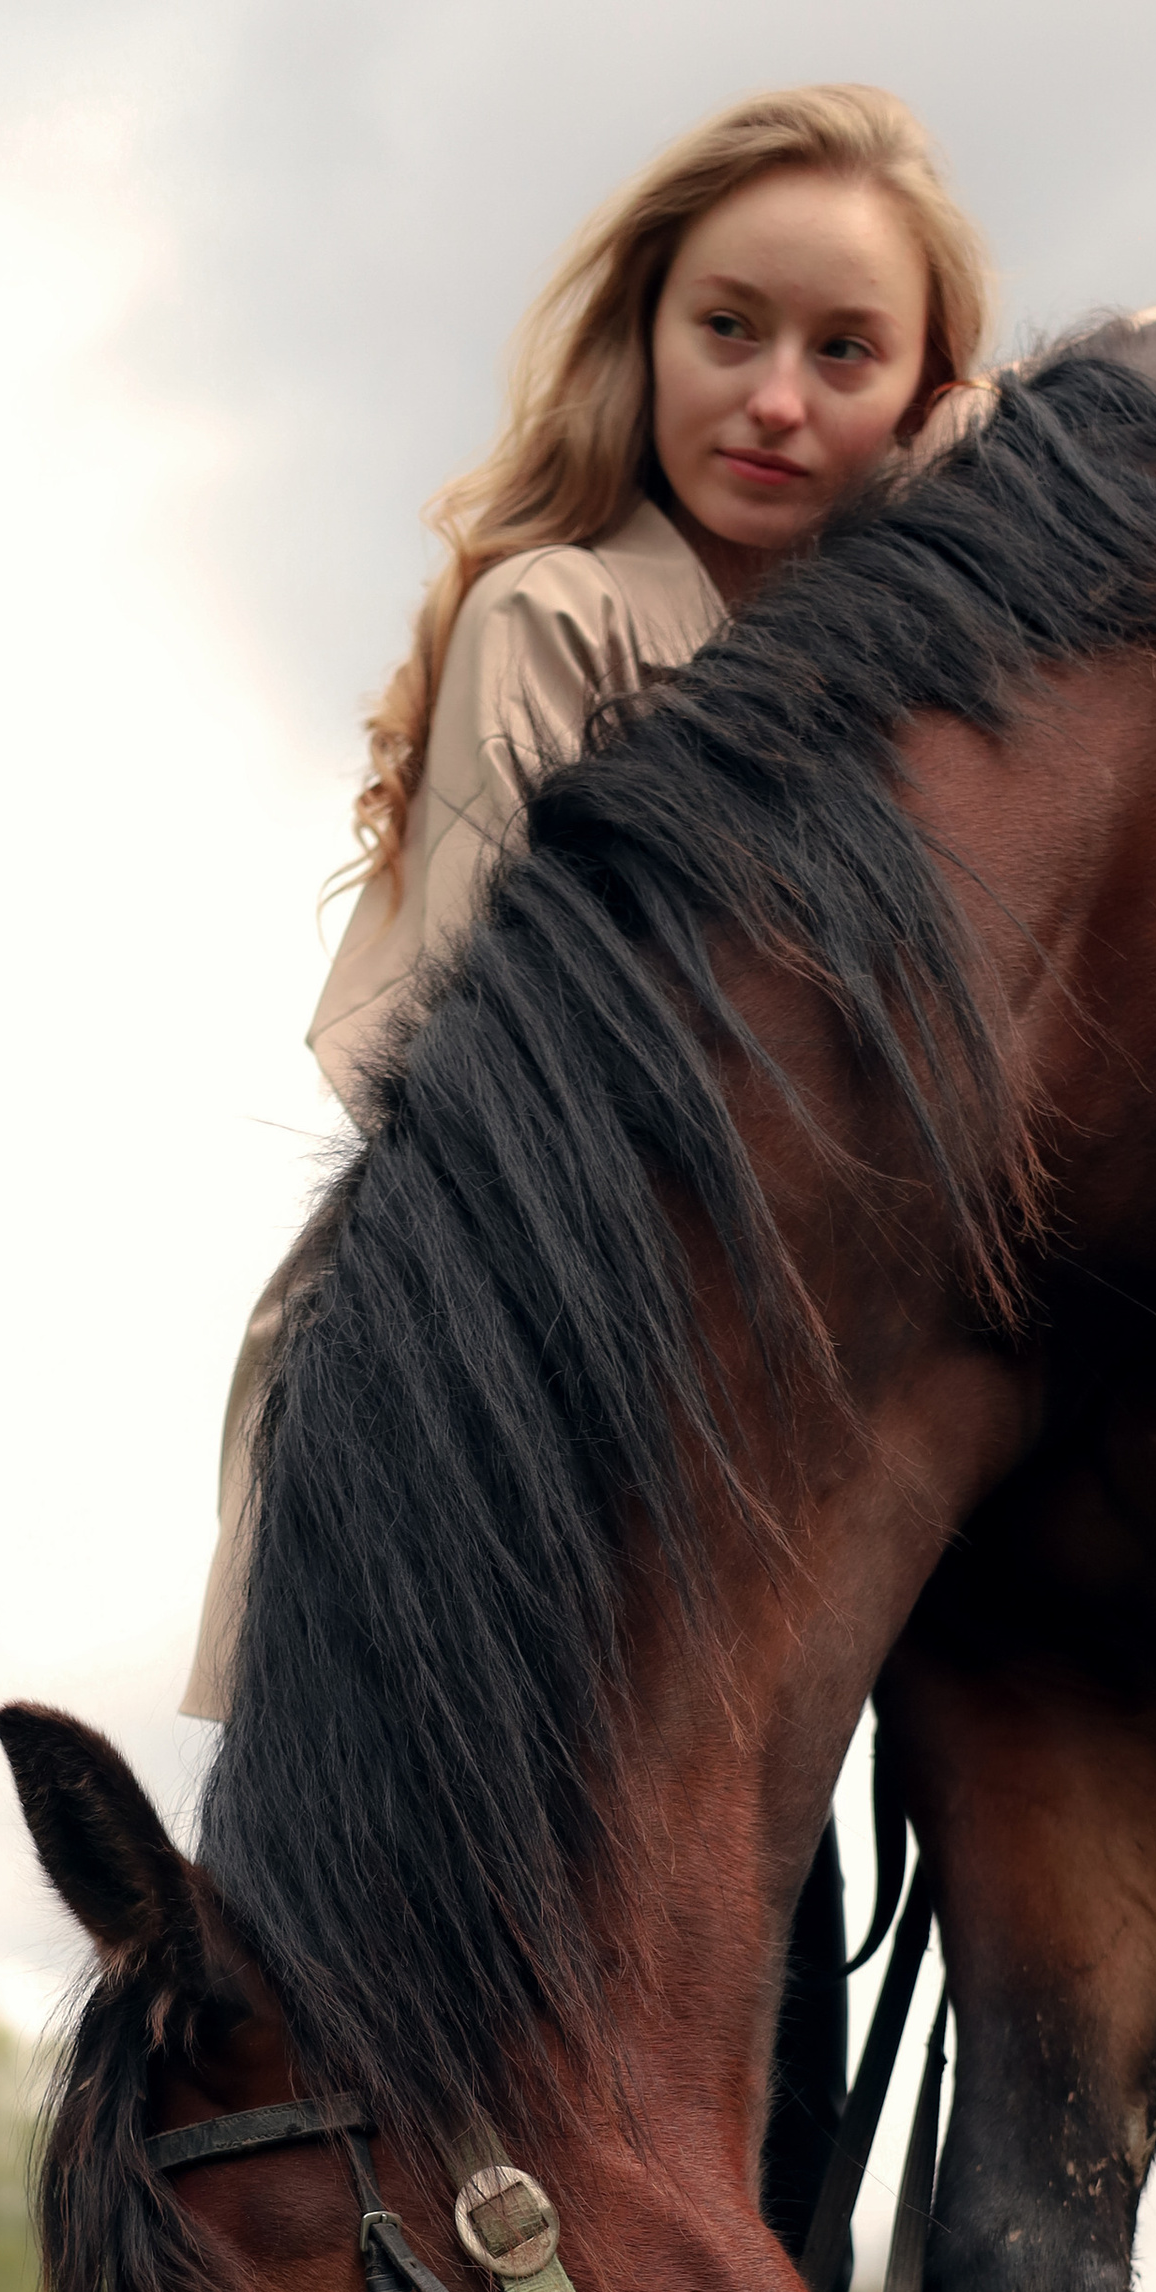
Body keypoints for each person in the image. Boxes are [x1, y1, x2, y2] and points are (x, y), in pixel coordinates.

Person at [179, 83, 997, 1723]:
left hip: (787, 1365)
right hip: (516, 1359)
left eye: (846, 352)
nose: (773, 400)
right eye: (729, 329)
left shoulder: (940, 651)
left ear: (925, 388)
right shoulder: (567, 619)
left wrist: (993, 447)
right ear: (651, 336)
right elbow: (493, 1084)